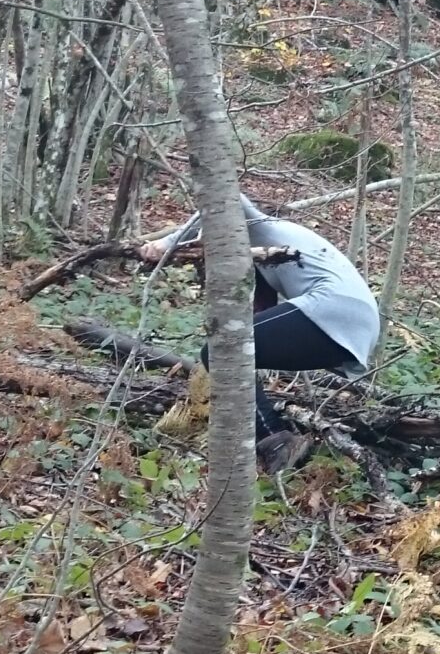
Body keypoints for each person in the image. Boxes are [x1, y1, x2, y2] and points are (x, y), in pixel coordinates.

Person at [137, 194, 380, 473]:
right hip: (354, 320)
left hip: (336, 308)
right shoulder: (263, 257)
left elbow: (230, 199)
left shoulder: (260, 227)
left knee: (222, 350)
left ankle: (275, 440)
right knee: (228, 351)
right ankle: (270, 440)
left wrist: (165, 245)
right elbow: (254, 323)